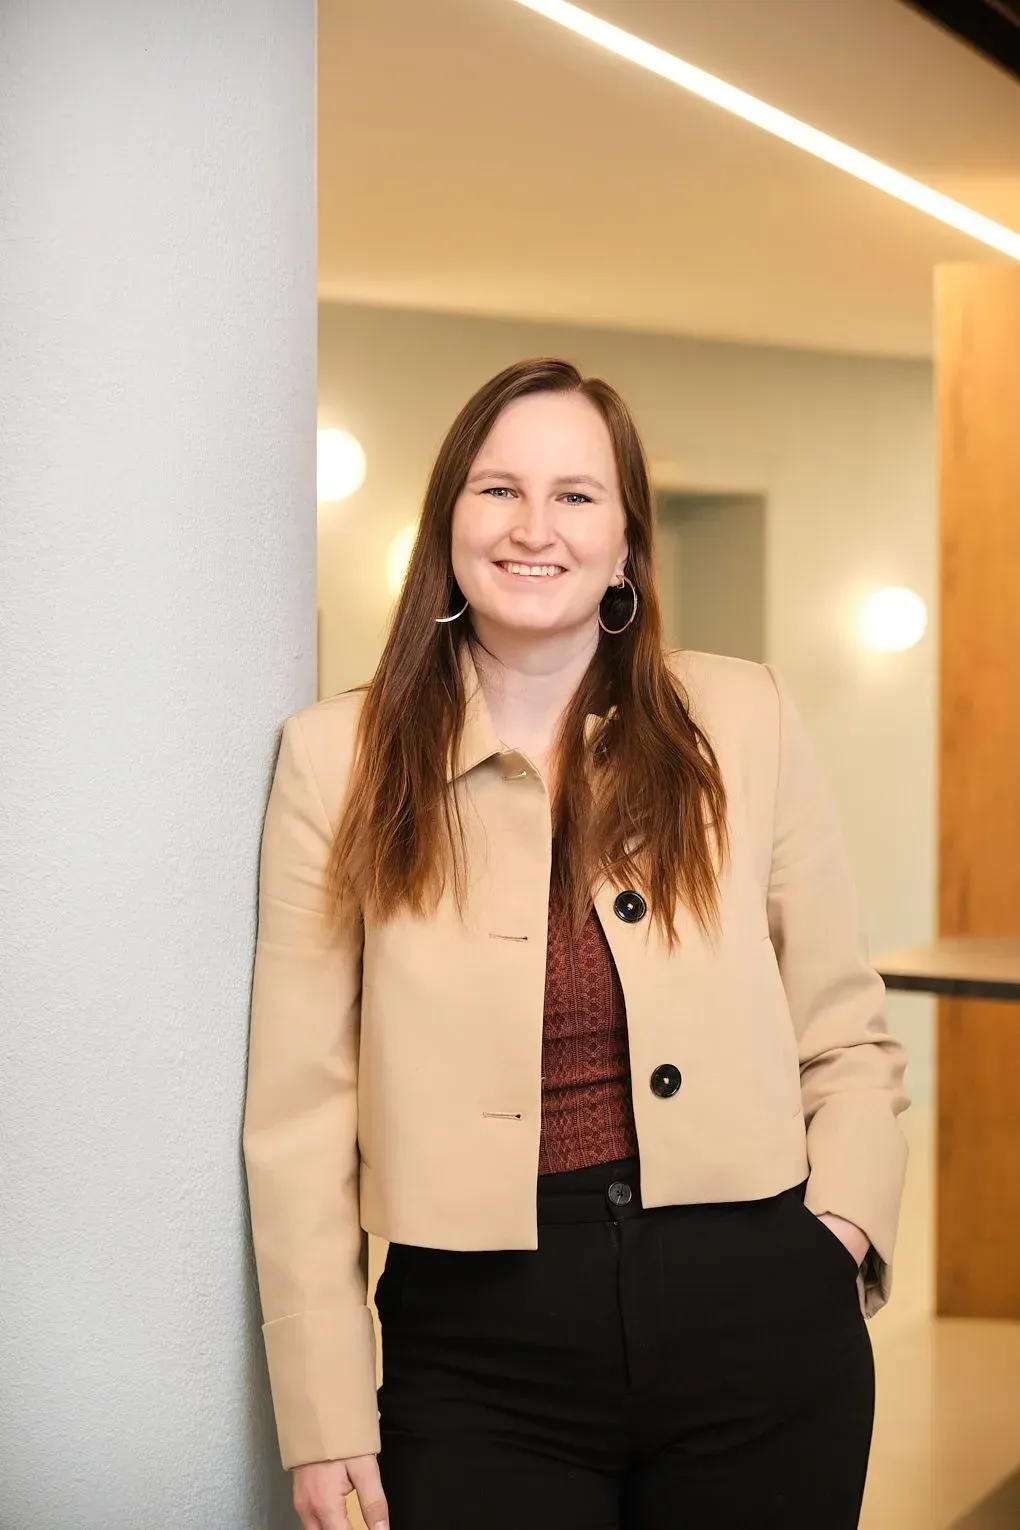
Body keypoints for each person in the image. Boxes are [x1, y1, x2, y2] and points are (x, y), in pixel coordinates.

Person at [242, 357, 909, 1530]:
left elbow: (845, 1026)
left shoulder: (743, 718)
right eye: (498, 490)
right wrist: (325, 1409)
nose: (533, 528)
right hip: (479, 1350)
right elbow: (301, 1115)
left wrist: (835, 1236)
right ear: (447, 519)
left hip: (759, 1319)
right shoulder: (334, 759)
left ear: (626, 546)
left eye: (577, 496)